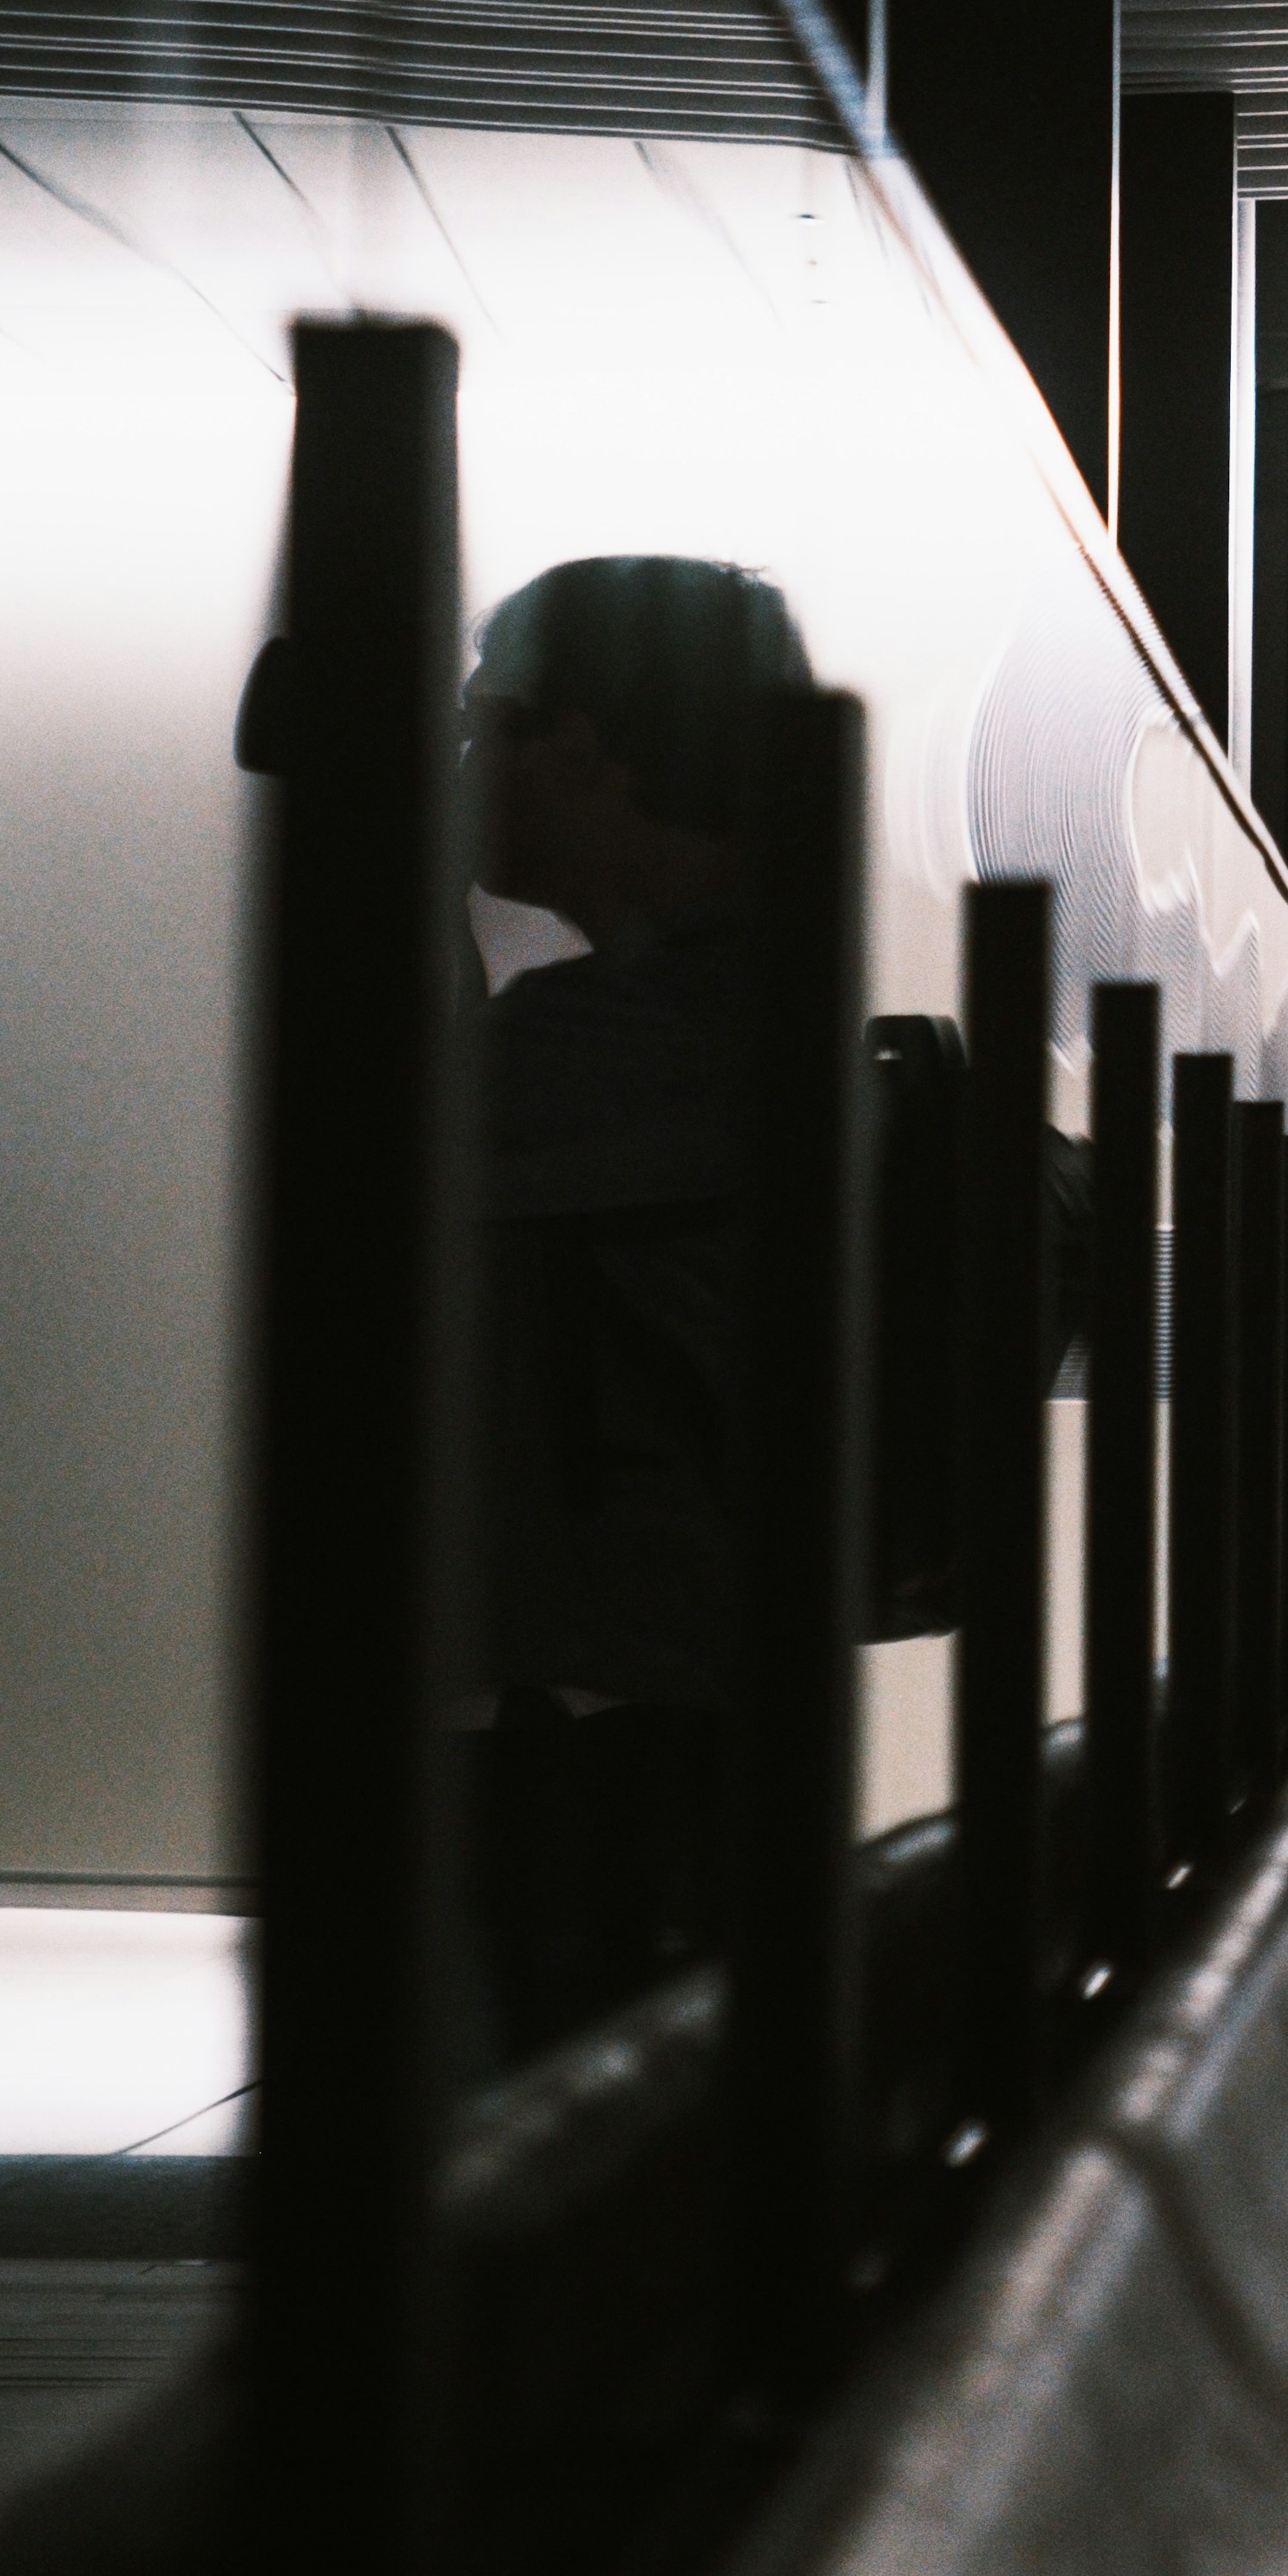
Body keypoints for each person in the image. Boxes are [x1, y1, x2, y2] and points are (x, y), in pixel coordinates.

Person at [457, 554, 811, 2064]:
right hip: (679, 1733)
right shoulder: (749, 1010)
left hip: (620, 1756)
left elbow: (384, 1159)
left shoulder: (626, 1050)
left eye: (489, 724)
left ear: (588, 748)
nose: (465, 761)